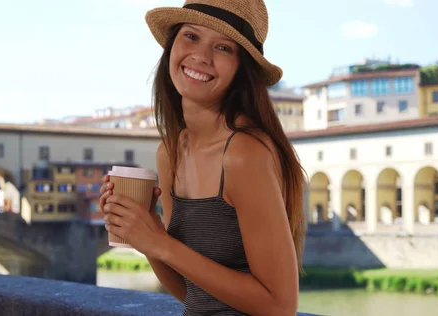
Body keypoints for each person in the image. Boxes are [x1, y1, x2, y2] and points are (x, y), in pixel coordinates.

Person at [100, 1, 306, 315]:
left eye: (223, 47)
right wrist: (145, 234)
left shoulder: (243, 153)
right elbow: (192, 294)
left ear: (241, 69)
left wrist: (161, 244)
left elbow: (281, 307)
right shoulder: (170, 153)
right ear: (172, 47)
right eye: (191, 37)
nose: (201, 56)